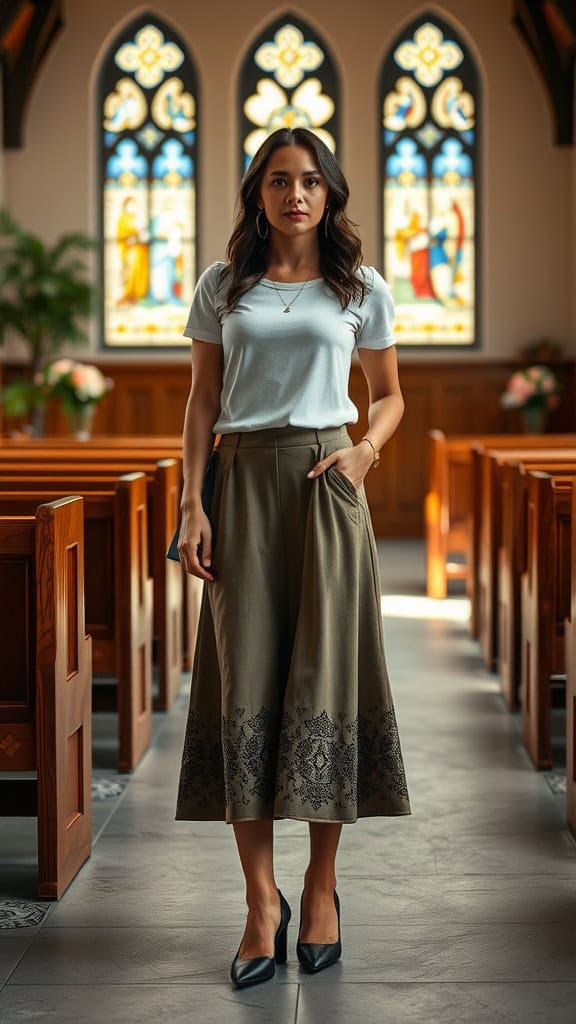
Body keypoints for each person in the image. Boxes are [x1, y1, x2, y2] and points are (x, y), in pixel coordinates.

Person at [174, 126, 411, 989]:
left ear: (329, 192)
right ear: (258, 194)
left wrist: (364, 453)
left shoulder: (360, 286)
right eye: (279, 181)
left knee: (323, 682)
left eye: (310, 180)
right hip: (239, 488)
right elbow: (202, 400)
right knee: (247, 683)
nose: (296, 194)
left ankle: (319, 888)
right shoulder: (222, 284)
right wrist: (191, 502)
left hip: (325, 483)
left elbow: (388, 398)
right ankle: (258, 901)